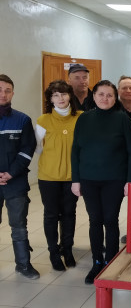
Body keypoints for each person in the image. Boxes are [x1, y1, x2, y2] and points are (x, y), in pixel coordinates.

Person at [71, 80, 131, 284]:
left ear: (115, 98)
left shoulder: (122, 119)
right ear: (94, 96)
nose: (105, 98)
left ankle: (111, 262)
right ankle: (97, 261)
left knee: (110, 219)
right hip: (88, 179)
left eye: (109, 95)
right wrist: (75, 180)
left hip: (114, 179)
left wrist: (130, 180)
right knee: (95, 220)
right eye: (101, 94)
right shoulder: (84, 119)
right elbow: (75, 150)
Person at [35, 80, 82, 271]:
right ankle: (54, 253)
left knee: (69, 213)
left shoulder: (80, 118)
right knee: (51, 214)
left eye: (63, 94)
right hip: (48, 177)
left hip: (72, 177)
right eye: (55, 95)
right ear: (50, 99)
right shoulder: (43, 120)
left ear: (70, 95)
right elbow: (37, 147)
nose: (60, 98)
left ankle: (67, 250)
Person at [0, 74, 38, 279]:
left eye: (7, 90)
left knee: (19, 225)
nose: (3, 94)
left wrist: (11, 173)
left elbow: (27, 150)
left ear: (13, 93)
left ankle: (23, 265)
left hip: (16, 182)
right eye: (0, 90)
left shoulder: (22, 119)